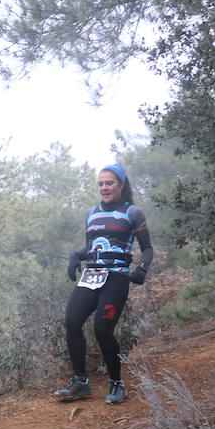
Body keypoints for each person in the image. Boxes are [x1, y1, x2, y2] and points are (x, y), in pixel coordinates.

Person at [54, 163, 154, 405]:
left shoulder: (133, 213)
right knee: (72, 321)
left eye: (109, 183)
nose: (104, 187)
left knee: (102, 329)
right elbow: (92, 245)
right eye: (100, 183)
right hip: (92, 275)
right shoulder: (91, 213)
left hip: (117, 277)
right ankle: (80, 382)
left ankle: (117, 384)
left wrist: (142, 269)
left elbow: (148, 248)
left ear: (120, 185)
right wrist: (76, 256)